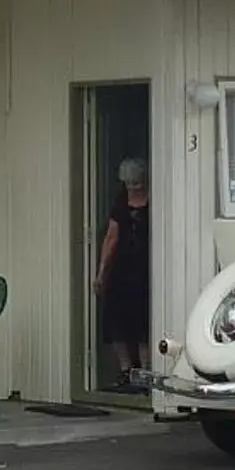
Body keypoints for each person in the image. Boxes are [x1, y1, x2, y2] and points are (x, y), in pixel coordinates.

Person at [94, 157, 151, 391]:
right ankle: (126, 371)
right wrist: (101, 274)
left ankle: (145, 372)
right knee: (117, 320)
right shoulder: (120, 203)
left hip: (146, 268)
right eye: (129, 184)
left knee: (143, 322)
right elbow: (111, 238)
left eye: (138, 183)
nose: (134, 188)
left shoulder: (155, 200)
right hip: (122, 269)